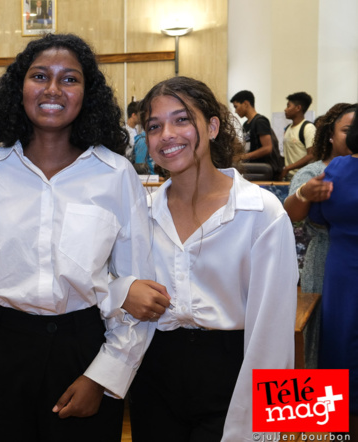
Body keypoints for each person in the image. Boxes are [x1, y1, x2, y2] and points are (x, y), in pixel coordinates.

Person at [0, 33, 167, 442]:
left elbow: (136, 290)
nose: (53, 89)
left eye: (70, 79)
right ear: (19, 88)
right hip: (2, 347)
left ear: (87, 92)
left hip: (85, 345)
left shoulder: (115, 174)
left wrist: (103, 376)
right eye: (40, 76)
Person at [123, 76, 297, 442]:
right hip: (155, 368)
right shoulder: (143, 212)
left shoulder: (260, 212)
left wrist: (263, 429)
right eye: (154, 126)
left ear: (213, 127)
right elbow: (111, 280)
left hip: (232, 368)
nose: (167, 134)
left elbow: (272, 331)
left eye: (182, 119)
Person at [308, 108, 358, 440]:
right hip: (340, 264)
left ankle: (334, 429)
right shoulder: (329, 169)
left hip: (342, 264)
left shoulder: (336, 169)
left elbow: (317, 217)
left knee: (341, 341)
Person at [284, 103, 356, 294]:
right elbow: (291, 214)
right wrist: (305, 193)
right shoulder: (314, 172)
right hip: (324, 262)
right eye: (347, 130)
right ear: (330, 135)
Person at [231, 90, 283, 179]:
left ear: (246, 104)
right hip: (253, 168)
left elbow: (267, 148)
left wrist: (242, 157)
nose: (235, 111)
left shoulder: (260, 121)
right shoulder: (245, 125)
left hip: (264, 171)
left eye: (236, 106)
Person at [282, 92, 316, 180]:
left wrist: (289, 168)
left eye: (288, 106)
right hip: (288, 177)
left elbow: (311, 155)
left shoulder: (308, 128)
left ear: (298, 108)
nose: (285, 109)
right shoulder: (288, 128)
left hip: (303, 177)